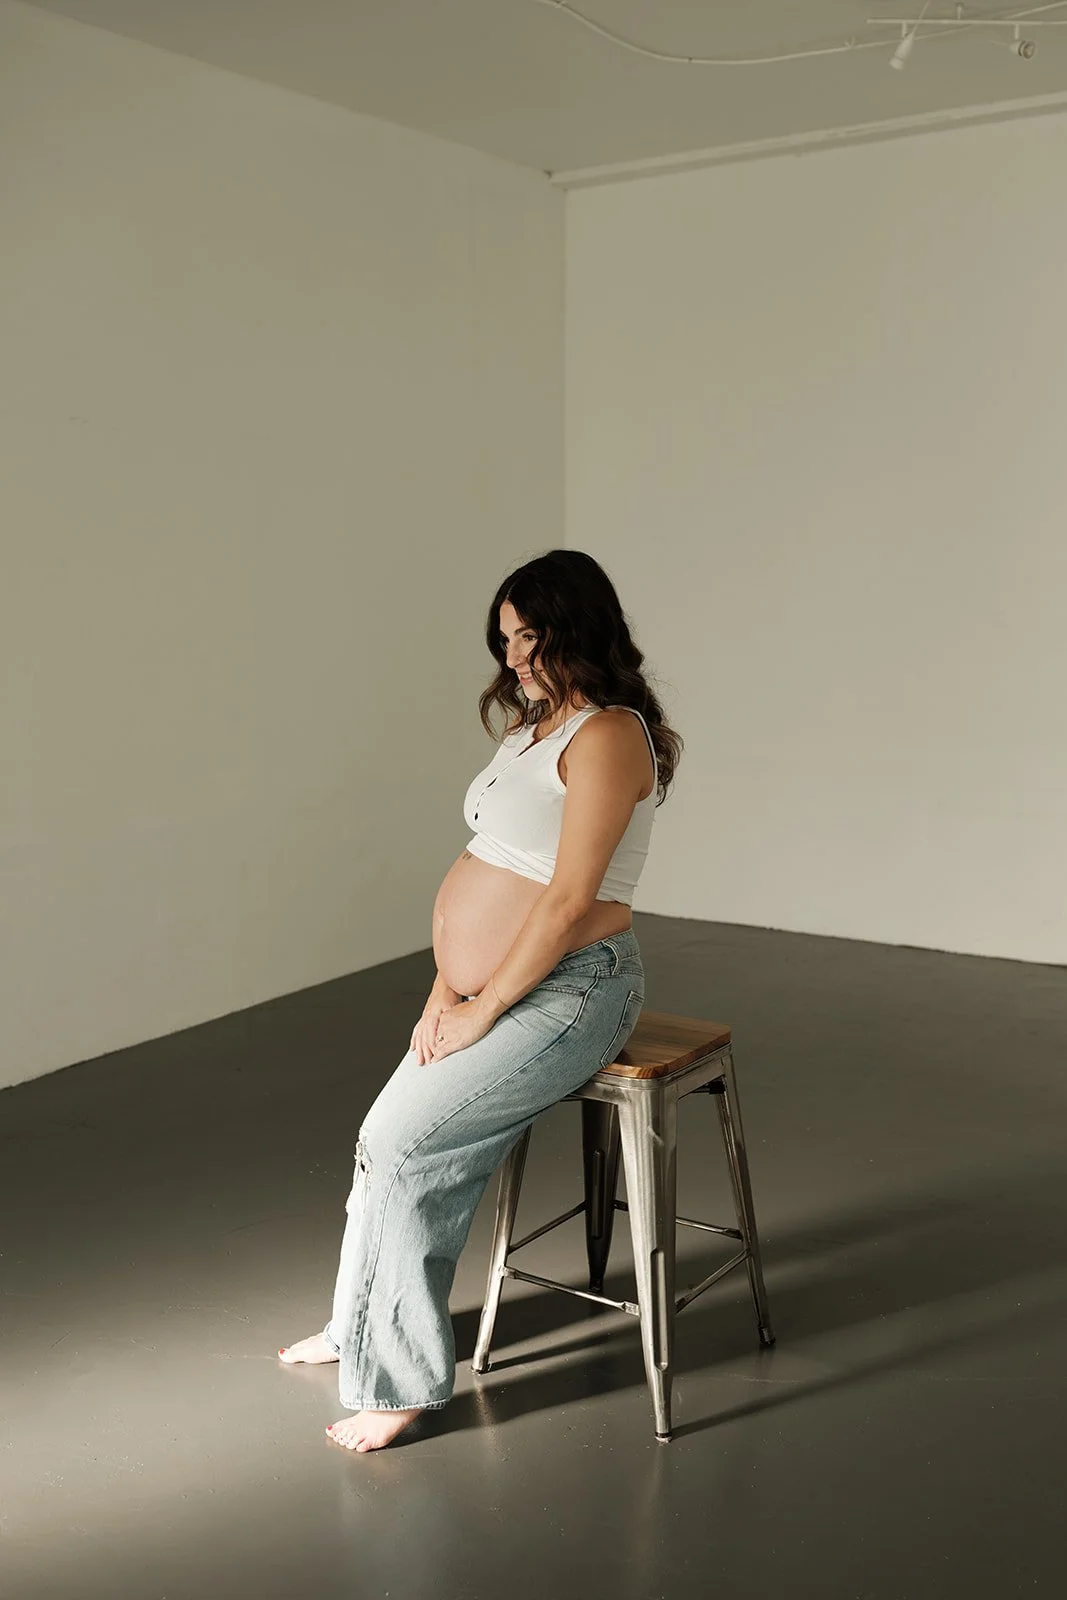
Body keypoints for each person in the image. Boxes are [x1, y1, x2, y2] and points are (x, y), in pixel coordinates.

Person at [278, 549, 682, 1452]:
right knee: (379, 1139)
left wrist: (484, 1005)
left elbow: (568, 901)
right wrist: (442, 991)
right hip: (489, 987)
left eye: (528, 638)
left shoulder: (609, 735)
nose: (513, 660)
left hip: (572, 992)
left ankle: (398, 1383)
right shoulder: (531, 729)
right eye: (504, 642)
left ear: (576, 628)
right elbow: (486, 876)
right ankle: (356, 1326)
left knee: (406, 1144)